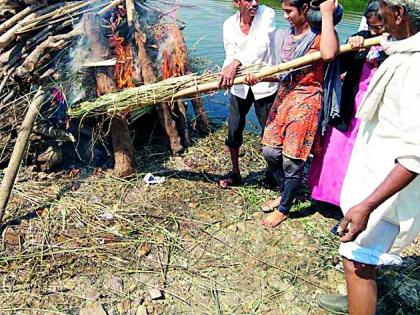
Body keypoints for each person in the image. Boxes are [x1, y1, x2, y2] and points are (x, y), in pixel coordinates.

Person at [317, 1, 420, 314]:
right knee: (358, 256)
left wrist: (366, 205)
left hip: (387, 193)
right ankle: (355, 300)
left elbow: (416, 154)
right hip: (373, 175)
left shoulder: (415, 68)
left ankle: (360, 303)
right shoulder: (399, 50)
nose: (376, 16)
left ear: (399, 14)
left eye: (386, 9)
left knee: (357, 260)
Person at [246, 0, 339, 225]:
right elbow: (282, 73)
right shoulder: (285, 36)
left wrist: (326, 14)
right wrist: (258, 77)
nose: (285, 16)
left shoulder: (321, 35)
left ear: (305, 8)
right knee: (270, 151)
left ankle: (285, 207)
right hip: (285, 96)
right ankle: (285, 191)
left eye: (289, 11)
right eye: (284, 11)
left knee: (292, 161)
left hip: (307, 99)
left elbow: (328, 55)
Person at [308, 0, 387, 208]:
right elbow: (338, 64)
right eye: (370, 27)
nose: (373, 31)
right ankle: (326, 196)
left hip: (375, 107)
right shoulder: (362, 40)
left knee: (360, 155)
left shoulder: (397, 46)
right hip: (350, 103)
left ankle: (352, 202)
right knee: (335, 148)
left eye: (378, 28)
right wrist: (352, 45)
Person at [218, 0, 279, 188]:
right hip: (240, 86)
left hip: (265, 83)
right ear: (237, 2)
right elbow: (230, 53)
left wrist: (236, 63)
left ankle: (272, 176)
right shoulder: (229, 24)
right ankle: (235, 173)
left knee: (269, 133)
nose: (254, 3)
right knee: (234, 129)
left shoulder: (267, 14)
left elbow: (261, 46)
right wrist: (226, 73)